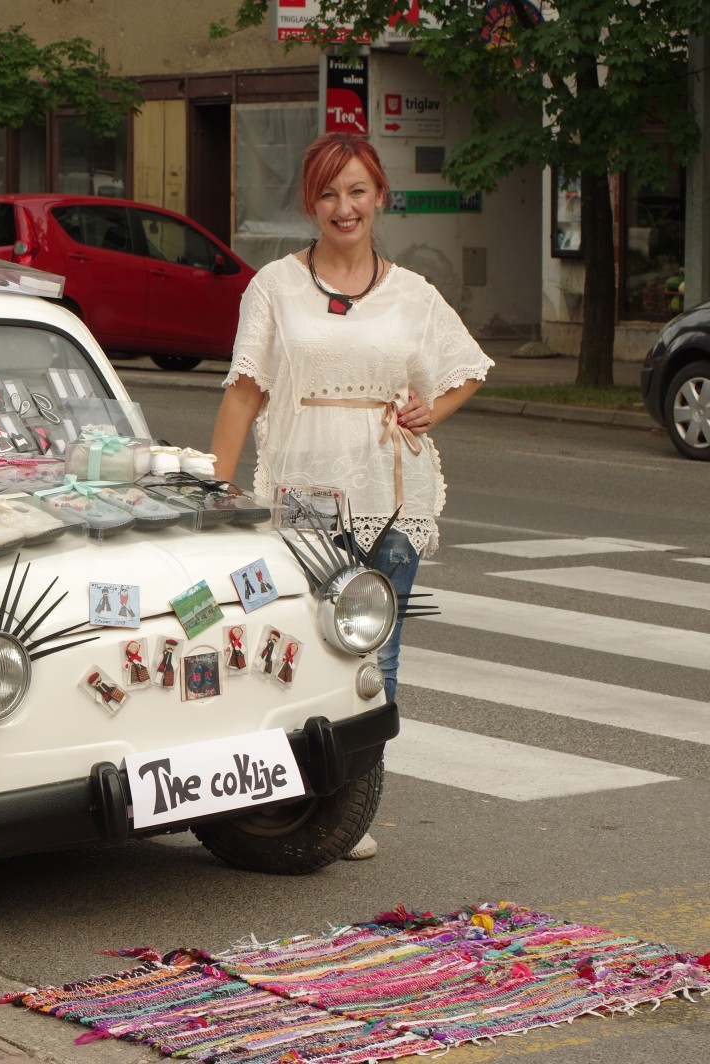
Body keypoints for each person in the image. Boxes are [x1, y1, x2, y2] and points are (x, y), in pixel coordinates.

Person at [208, 132, 492, 861]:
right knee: (298, 647)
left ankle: (350, 810)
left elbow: (467, 367)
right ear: (311, 204)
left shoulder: (412, 293)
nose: (345, 207)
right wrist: (216, 485)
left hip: (392, 492)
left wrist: (433, 409)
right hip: (305, 497)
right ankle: (298, 802)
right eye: (329, 193)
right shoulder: (275, 286)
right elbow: (245, 390)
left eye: (357, 190)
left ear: (379, 196)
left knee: (377, 657)